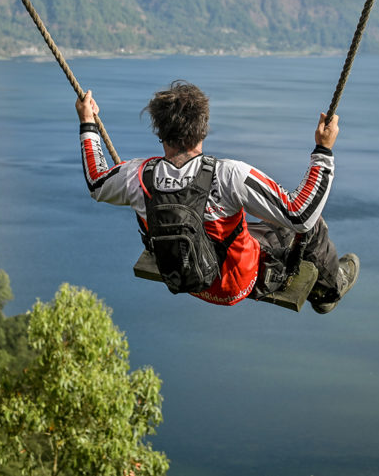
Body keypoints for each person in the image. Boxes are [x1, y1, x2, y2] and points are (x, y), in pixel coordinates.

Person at [77, 80, 359, 314]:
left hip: (181, 277)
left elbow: (97, 182)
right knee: (310, 228)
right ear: (203, 129)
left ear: (160, 132)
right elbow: (301, 214)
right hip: (235, 285)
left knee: (269, 228)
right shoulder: (228, 175)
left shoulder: (137, 177)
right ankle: (329, 291)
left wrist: (88, 122)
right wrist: (323, 150)